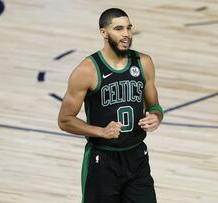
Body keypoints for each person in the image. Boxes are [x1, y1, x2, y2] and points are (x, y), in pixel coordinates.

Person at [58, 8, 163, 203]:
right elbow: (64, 120)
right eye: (119, 29)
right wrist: (101, 131)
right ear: (103, 33)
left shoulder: (143, 62)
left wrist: (156, 117)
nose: (126, 34)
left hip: (137, 156)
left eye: (129, 28)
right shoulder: (87, 70)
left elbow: (155, 105)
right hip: (102, 161)